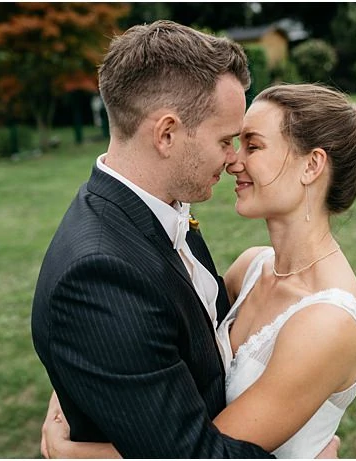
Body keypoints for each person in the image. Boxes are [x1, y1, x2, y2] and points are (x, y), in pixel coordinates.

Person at [40, 83, 356, 458]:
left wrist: (77, 455)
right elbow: (159, 336)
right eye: (235, 143)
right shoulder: (251, 268)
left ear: (312, 165)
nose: (232, 161)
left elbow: (205, 452)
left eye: (252, 146)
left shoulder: (328, 322)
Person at [30, 20, 273, 458]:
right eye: (225, 140)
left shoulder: (158, 209)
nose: (234, 158)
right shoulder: (98, 277)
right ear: (166, 134)